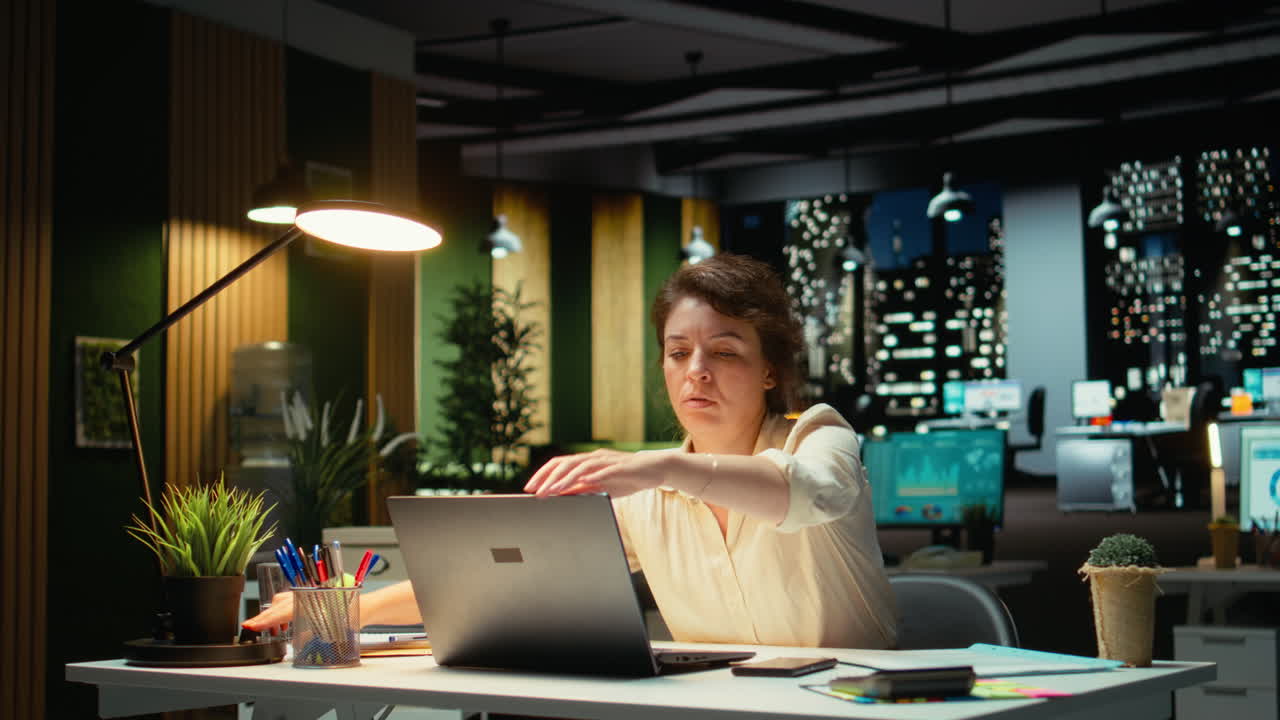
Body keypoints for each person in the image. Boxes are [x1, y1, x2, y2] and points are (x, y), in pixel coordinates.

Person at [244, 253, 897, 649]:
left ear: (770, 370)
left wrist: (663, 465)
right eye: (678, 353)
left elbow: (806, 491)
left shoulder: (820, 434)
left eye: (724, 352)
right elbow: (500, 575)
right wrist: (338, 604)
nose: (696, 370)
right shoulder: (646, 494)